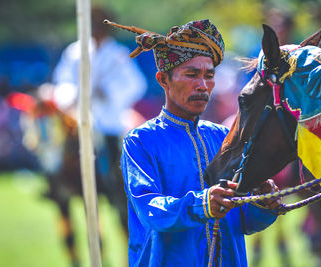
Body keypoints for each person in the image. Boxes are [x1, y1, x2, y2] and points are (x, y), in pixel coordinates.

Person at [108, 19, 280, 266]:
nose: (202, 85)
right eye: (191, 74)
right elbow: (150, 210)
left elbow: (243, 221)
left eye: (209, 76)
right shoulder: (141, 141)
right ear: (163, 79)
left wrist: (263, 204)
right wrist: (202, 204)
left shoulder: (223, 137)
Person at [51, 6, 147, 236]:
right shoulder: (74, 53)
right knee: (57, 147)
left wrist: (110, 92)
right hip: (80, 116)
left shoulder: (119, 55)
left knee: (114, 153)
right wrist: (74, 94)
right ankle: (55, 183)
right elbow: (61, 82)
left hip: (109, 120)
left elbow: (137, 85)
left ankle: (117, 185)